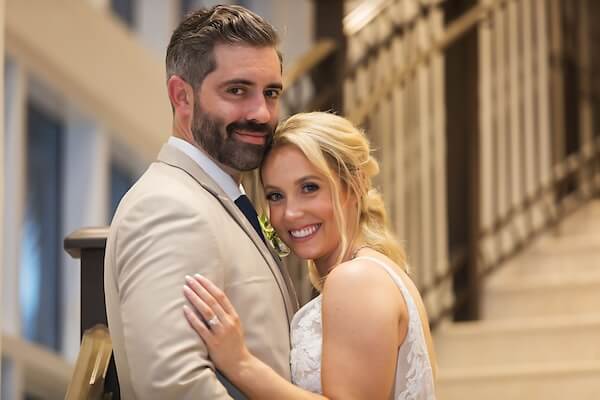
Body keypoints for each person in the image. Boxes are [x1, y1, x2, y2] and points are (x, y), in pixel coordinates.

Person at [104, 5, 298, 399]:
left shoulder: (220, 198)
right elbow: (173, 386)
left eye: (271, 93)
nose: (261, 113)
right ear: (182, 96)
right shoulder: (168, 208)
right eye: (237, 90)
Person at [183, 111, 438, 399]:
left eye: (309, 188)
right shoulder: (375, 272)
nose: (290, 213)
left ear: (353, 186)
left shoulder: (356, 279)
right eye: (275, 196)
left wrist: (241, 364)